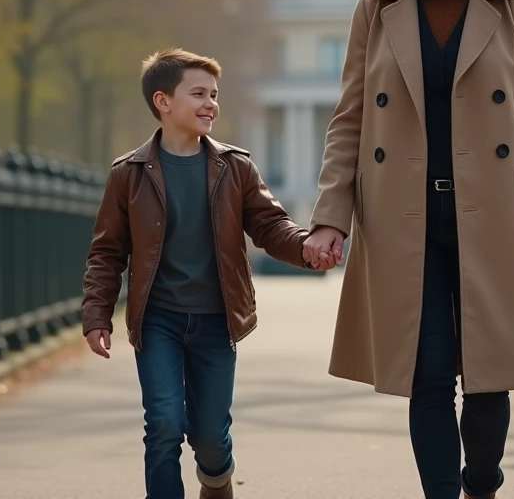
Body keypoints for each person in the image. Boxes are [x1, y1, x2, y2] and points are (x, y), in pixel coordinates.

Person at [302, 0, 514, 499]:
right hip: (402, 216)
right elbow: (350, 120)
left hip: (494, 214)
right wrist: (330, 214)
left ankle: (481, 484)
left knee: (488, 376)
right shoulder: (375, 7)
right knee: (426, 376)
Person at [81, 48, 336, 499]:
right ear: (163, 101)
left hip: (217, 319)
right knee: (162, 424)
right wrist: (97, 313)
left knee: (210, 438)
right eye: (198, 93)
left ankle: (216, 481)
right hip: (157, 318)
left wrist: (304, 247)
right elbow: (107, 251)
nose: (210, 104)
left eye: (214, 95)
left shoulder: (234, 167)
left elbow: (269, 224)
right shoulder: (129, 174)